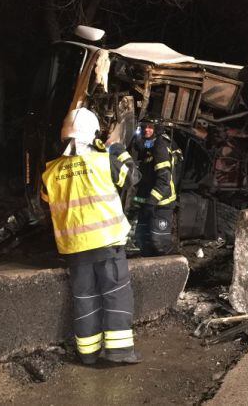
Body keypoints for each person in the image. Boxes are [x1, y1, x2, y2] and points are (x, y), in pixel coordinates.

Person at [41, 107, 143, 365]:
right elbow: (132, 177)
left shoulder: (50, 172)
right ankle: (119, 351)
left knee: (84, 298)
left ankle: (87, 353)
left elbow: (46, 202)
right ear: (94, 134)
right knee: (115, 293)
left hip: (74, 248)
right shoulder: (104, 160)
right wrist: (118, 149)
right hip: (107, 243)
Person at [133, 119, 178, 256]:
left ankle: (172, 271)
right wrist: (138, 204)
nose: (147, 129)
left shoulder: (159, 146)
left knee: (159, 243)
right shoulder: (147, 147)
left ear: (157, 129)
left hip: (161, 205)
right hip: (148, 204)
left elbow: (164, 180)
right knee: (143, 241)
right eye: (144, 127)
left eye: (151, 127)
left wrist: (152, 201)